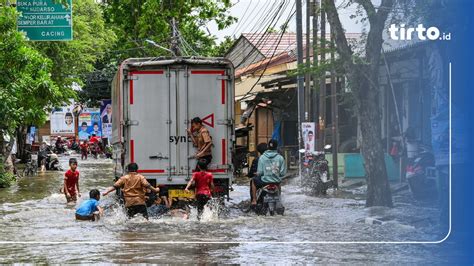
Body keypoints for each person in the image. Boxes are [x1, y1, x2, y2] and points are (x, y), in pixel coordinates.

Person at [250, 139, 286, 207]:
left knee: (253, 181)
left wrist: (258, 173)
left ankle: (254, 200)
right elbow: (282, 173)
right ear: (276, 147)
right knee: (279, 183)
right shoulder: (280, 158)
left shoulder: (262, 157)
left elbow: (260, 172)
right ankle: (279, 200)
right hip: (276, 182)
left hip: (264, 182)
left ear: (268, 147)